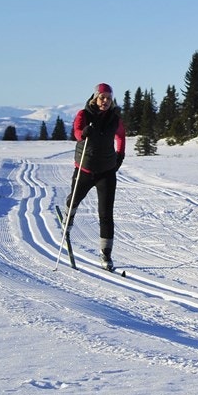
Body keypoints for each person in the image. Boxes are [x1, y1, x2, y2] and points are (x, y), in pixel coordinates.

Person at [64, 82, 127, 270]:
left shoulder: (114, 118)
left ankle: (106, 255)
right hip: (85, 168)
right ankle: (68, 217)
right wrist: (83, 133)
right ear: (95, 98)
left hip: (106, 171)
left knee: (106, 214)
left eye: (108, 98)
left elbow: (121, 136)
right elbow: (76, 132)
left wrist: (120, 155)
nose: (105, 101)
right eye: (102, 97)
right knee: (75, 199)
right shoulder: (84, 115)